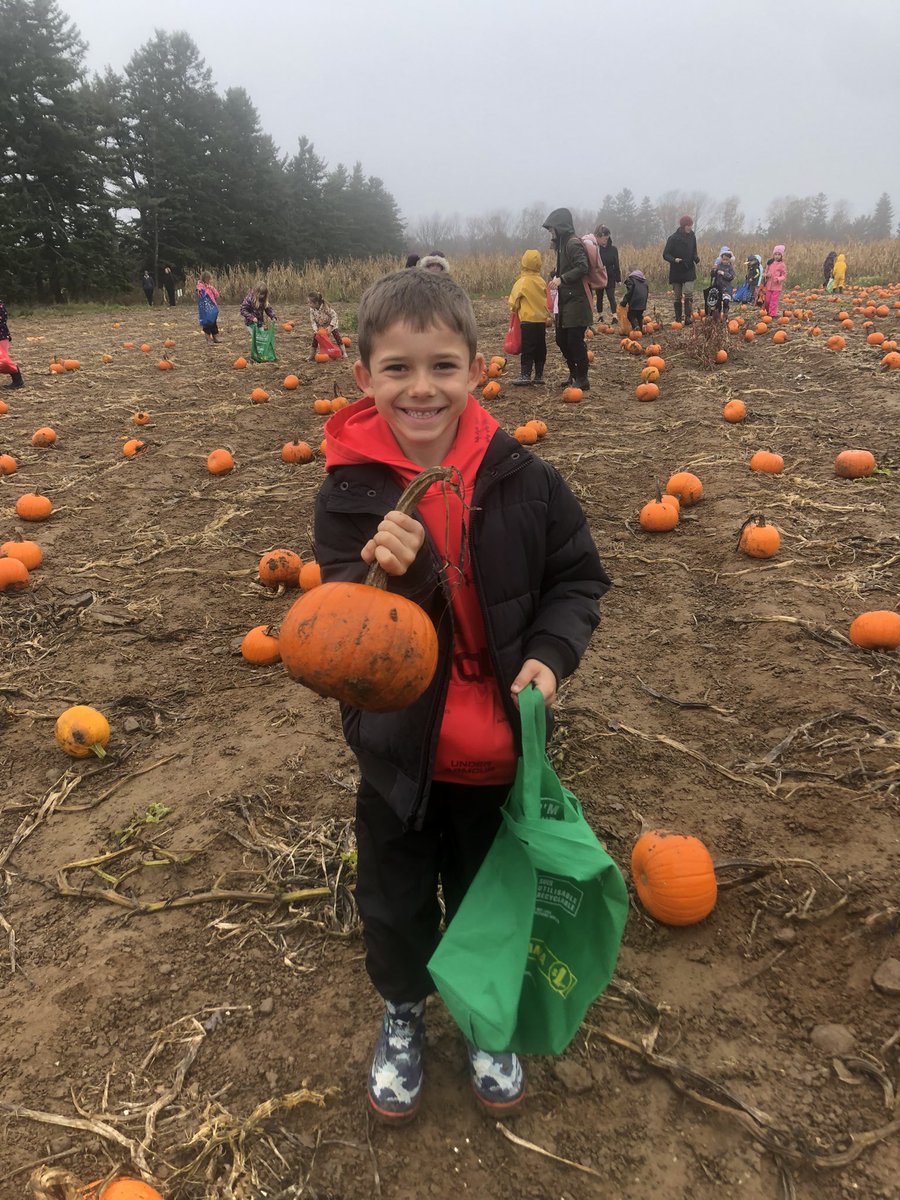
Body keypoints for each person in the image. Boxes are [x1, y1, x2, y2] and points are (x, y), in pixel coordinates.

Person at [314, 267, 609, 1121]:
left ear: (478, 367)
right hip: (400, 753)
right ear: (363, 375)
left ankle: (485, 1018)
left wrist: (552, 655)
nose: (421, 387)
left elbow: (577, 579)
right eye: (397, 368)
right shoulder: (347, 496)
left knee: (490, 894)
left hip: (500, 755)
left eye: (442, 366)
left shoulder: (527, 480)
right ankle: (404, 1011)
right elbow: (341, 634)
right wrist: (384, 573)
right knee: (396, 901)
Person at [543, 207, 591, 390]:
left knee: (574, 340)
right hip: (565, 301)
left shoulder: (572, 244)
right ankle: (573, 373)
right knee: (561, 339)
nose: (550, 233)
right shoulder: (562, 246)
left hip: (576, 301)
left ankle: (583, 378)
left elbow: (582, 267)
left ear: (560, 227)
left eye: (551, 229)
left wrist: (562, 278)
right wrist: (557, 273)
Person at [507, 249, 548, 386]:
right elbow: (547, 299)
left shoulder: (522, 282)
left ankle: (525, 374)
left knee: (528, 348)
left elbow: (513, 301)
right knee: (540, 348)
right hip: (541, 321)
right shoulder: (542, 281)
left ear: (524, 262)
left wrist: (515, 308)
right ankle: (539, 375)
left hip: (527, 321)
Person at [662, 216, 700, 325]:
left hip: (689, 269)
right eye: (688, 226)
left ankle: (688, 317)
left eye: (691, 225)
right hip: (676, 270)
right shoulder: (673, 238)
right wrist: (674, 260)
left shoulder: (692, 236)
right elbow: (665, 254)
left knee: (688, 293)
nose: (690, 228)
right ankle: (678, 318)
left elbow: (694, 250)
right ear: (683, 226)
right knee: (677, 296)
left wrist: (695, 257)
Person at [307, 291, 347, 361]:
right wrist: (315, 330)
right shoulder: (312, 310)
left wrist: (331, 326)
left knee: (337, 337)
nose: (308, 304)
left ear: (316, 303)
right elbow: (313, 321)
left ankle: (344, 353)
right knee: (315, 339)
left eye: (310, 303)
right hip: (321, 326)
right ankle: (311, 355)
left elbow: (334, 316)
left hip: (331, 324)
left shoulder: (326, 308)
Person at [594, 225, 621, 320]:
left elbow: (616, 264)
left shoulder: (613, 249)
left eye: (607, 238)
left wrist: (618, 278)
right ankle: (600, 315)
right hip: (599, 276)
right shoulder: (597, 249)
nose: (606, 240)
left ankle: (615, 316)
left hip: (610, 276)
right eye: (604, 238)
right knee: (599, 297)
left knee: (611, 296)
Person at [0, 299, 24, 389]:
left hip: (1, 337)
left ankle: (18, 380)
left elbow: (2, 320)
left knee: (3, 361)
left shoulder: (0, 306)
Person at [707, 247, 735, 319]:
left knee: (726, 302)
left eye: (727, 260)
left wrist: (723, 273)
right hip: (718, 288)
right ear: (721, 259)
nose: (725, 261)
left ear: (729, 260)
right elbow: (712, 275)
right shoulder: (718, 266)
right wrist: (714, 271)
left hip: (726, 288)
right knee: (717, 304)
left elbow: (731, 277)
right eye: (723, 259)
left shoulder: (730, 268)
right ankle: (717, 317)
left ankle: (725, 316)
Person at [619, 268, 649, 332]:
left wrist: (623, 302)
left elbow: (629, 293)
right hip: (642, 302)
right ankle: (641, 330)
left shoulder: (631, 280)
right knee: (639, 316)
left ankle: (635, 327)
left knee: (630, 315)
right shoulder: (644, 282)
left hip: (635, 301)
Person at [196, 271, 220, 345]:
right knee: (207, 324)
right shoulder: (201, 285)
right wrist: (199, 291)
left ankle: (215, 337)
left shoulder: (210, 287)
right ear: (204, 278)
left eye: (210, 279)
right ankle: (208, 339)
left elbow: (216, 295)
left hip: (212, 306)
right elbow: (198, 289)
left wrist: (212, 289)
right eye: (208, 279)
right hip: (205, 308)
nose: (209, 280)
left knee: (214, 323)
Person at [763, 245, 787, 317]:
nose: (777, 256)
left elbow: (784, 275)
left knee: (773, 301)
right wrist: (767, 275)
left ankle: (772, 314)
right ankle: (767, 311)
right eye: (775, 254)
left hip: (777, 287)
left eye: (779, 254)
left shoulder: (782, 265)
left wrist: (778, 279)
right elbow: (765, 272)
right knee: (767, 300)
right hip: (769, 286)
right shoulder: (770, 263)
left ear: (781, 255)